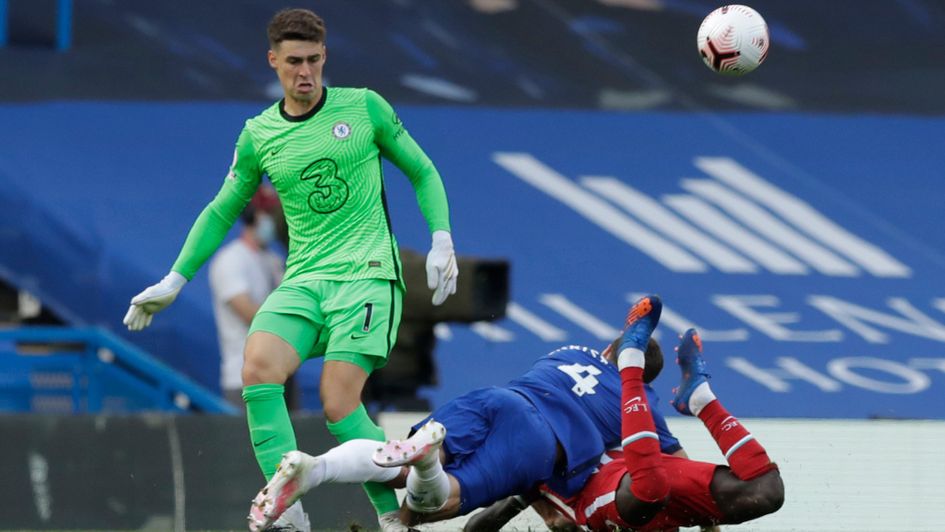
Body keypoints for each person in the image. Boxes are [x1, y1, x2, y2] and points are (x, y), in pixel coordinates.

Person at [121, 8, 458, 532]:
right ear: (273, 61)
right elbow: (220, 209)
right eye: (294, 61)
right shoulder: (259, 134)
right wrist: (174, 279)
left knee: (338, 403)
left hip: (367, 273)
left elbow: (422, 169)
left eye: (314, 60)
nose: (305, 72)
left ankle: (392, 515)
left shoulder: (363, 107)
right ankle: (290, 518)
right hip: (303, 279)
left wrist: (441, 238)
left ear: (325, 57)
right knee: (256, 369)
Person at [245, 296, 676, 530]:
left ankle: (315, 467)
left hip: (498, 399)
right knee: (442, 500)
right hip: (538, 439)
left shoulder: (572, 351)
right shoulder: (641, 401)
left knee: (393, 467)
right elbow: (670, 465)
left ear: (608, 349)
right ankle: (428, 462)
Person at [470, 314, 785, 531]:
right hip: (629, 490)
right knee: (762, 493)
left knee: (768, 493)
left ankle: (696, 399)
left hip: (627, 490)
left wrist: (530, 497)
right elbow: (681, 462)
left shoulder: (540, 422)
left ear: (607, 352)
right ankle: (701, 402)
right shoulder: (643, 410)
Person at [209, 188, 284, 408]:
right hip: (243, 375)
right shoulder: (230, 260)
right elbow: (250, 314)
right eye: (270, 215)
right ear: (254, 216)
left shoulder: (273, 260)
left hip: (281, 372)